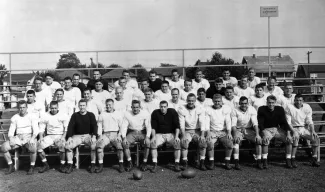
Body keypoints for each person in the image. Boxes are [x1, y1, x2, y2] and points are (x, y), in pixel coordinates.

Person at [257, 95, 298, 169]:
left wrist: (288, 134)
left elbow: (284, 122)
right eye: (269, 102)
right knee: (265, 140)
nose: (271, 104)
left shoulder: (280, 109)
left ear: (275, 102)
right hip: (266, 129)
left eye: (272, 102)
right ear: (266, 102)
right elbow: (261, 123)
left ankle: (288, 160)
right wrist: (264, 133)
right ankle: (265, 161)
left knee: (289, 139)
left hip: (276, 129)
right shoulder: (261, 109)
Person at [0, 100, 38, 175]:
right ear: (18, 108)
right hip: (18, 137)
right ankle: (11, 166)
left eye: (24, 107)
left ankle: (32, 166)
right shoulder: (15, 117)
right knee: (3, 147)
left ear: (27, 108)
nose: (22, 109)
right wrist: (11, 138)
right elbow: (11, 131)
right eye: (20, 107)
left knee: (33, 148)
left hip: (29, 136)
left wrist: (33, 138)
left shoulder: (32, 116)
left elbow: (36, 130)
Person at [285, 94, 320, 167]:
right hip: (294, 128)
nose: (298, 102)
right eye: (297, 100)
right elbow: (288, 122)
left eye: (300, 100)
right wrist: (294, 131)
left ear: (303, 101)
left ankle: (314, 158)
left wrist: (313, 131)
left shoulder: (307, 107)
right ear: (294, 100)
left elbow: (309, 120)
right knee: (295, 139)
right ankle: (293, 159)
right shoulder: (289, 107)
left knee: (315, 138)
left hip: (304, 128)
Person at [65, 99, 98, 174]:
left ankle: (93, 164)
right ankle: (70, 165)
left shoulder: (91, 115)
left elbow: (95, 126)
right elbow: (70, 126)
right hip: (77, 136)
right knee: (68, 145)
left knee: (94, 145)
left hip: (87, 135)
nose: (82, 107)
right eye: (80, 105)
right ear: (78, 106)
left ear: (86, 106)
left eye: (83, 105)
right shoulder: (75, 115)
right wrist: (69, 137)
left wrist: (94, 136)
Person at [231, 96, 262, 170]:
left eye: (245, 103)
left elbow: (255, 123)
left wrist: (257, 135)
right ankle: (236, 162)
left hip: (248, 129)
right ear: (239, 103)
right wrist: (235, 135)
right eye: (242, 103)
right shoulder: (234, 110)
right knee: (236, 141)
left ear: (248, 103)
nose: (244, 105)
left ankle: (259, 161)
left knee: (258, 141)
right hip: (238, 129)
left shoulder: (252, 109)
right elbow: (233, 124)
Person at [37, 101, 68, 173]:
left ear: (58, 107)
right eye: (52, 108)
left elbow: (66, 128)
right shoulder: (45, 115)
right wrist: (41, 137)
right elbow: (41, 128)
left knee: (62, 146)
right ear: (49, 108)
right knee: (38, 145)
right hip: (50, 136)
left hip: (59, 135)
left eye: (55, 108)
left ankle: (62, 165)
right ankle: (45, 165)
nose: (54, 110)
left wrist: (63, 137)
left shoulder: (63, 115)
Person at [150, 101, 181, 172]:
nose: (163, 108)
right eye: (161, 107)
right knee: (153, 143)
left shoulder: (172, 112)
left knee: (177, 143)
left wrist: (176, 136)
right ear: (159, 107)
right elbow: (153, 127)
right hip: (159, 134)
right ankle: (154, 164)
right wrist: (154, 137)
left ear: (167, 107)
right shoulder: (155, 113)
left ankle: (177, 164)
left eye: (164, 107)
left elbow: (177, 126)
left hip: (170, 134)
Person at [178, 93, 206, 170]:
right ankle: (185, 163)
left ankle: (201, 162)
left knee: (202, 142)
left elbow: (202, 122)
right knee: (184, 143)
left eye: (192, 101)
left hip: (197, 130)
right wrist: (183, 135)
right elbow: (182, 124)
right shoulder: (181, 109)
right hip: (186, 130)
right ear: (186, 100)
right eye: (189, 101)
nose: (191, 102)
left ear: (195, 101)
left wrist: (202, 135)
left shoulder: (200, 108)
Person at [121, 100, 151, 172]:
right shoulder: (127, 114)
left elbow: (148, 126)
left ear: (140, 107)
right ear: (131, 107)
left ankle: (144, 162)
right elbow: (124, 127)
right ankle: (129, 162)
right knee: (124, 143)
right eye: (134, 107)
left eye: (137, 107)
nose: (135, 109)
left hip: (142, 132)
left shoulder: (145, 113)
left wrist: (147, 137)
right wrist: (124, 137)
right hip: (132, 132)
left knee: (148, 143)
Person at [205, 94, 233, 170]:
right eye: (215, 101)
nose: (217, 103)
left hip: (223, 131)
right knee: (209, 143)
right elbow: (206, 122)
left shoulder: (226, 109)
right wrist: (208, 133)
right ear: (212, 101)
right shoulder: (208, 109)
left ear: (221, 101)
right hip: (212, 131)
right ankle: (211, 163)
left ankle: (227, 162)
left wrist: (229, 133)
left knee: (230, 143)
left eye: (219, 101)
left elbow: (228, 121)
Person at [96, 99, 124, 173]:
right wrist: (100, 136)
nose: (108, 106)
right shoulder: (102, 114)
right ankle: (100, 166)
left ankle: (121, 165)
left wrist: (119, 135)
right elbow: (99, 126)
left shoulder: (118, 114)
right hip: (105, 134)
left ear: (113, 105)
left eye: (110, 105)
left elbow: (122, 126)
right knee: (99, 147)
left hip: (115, 134)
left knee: (120, 148)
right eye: (107, 105)